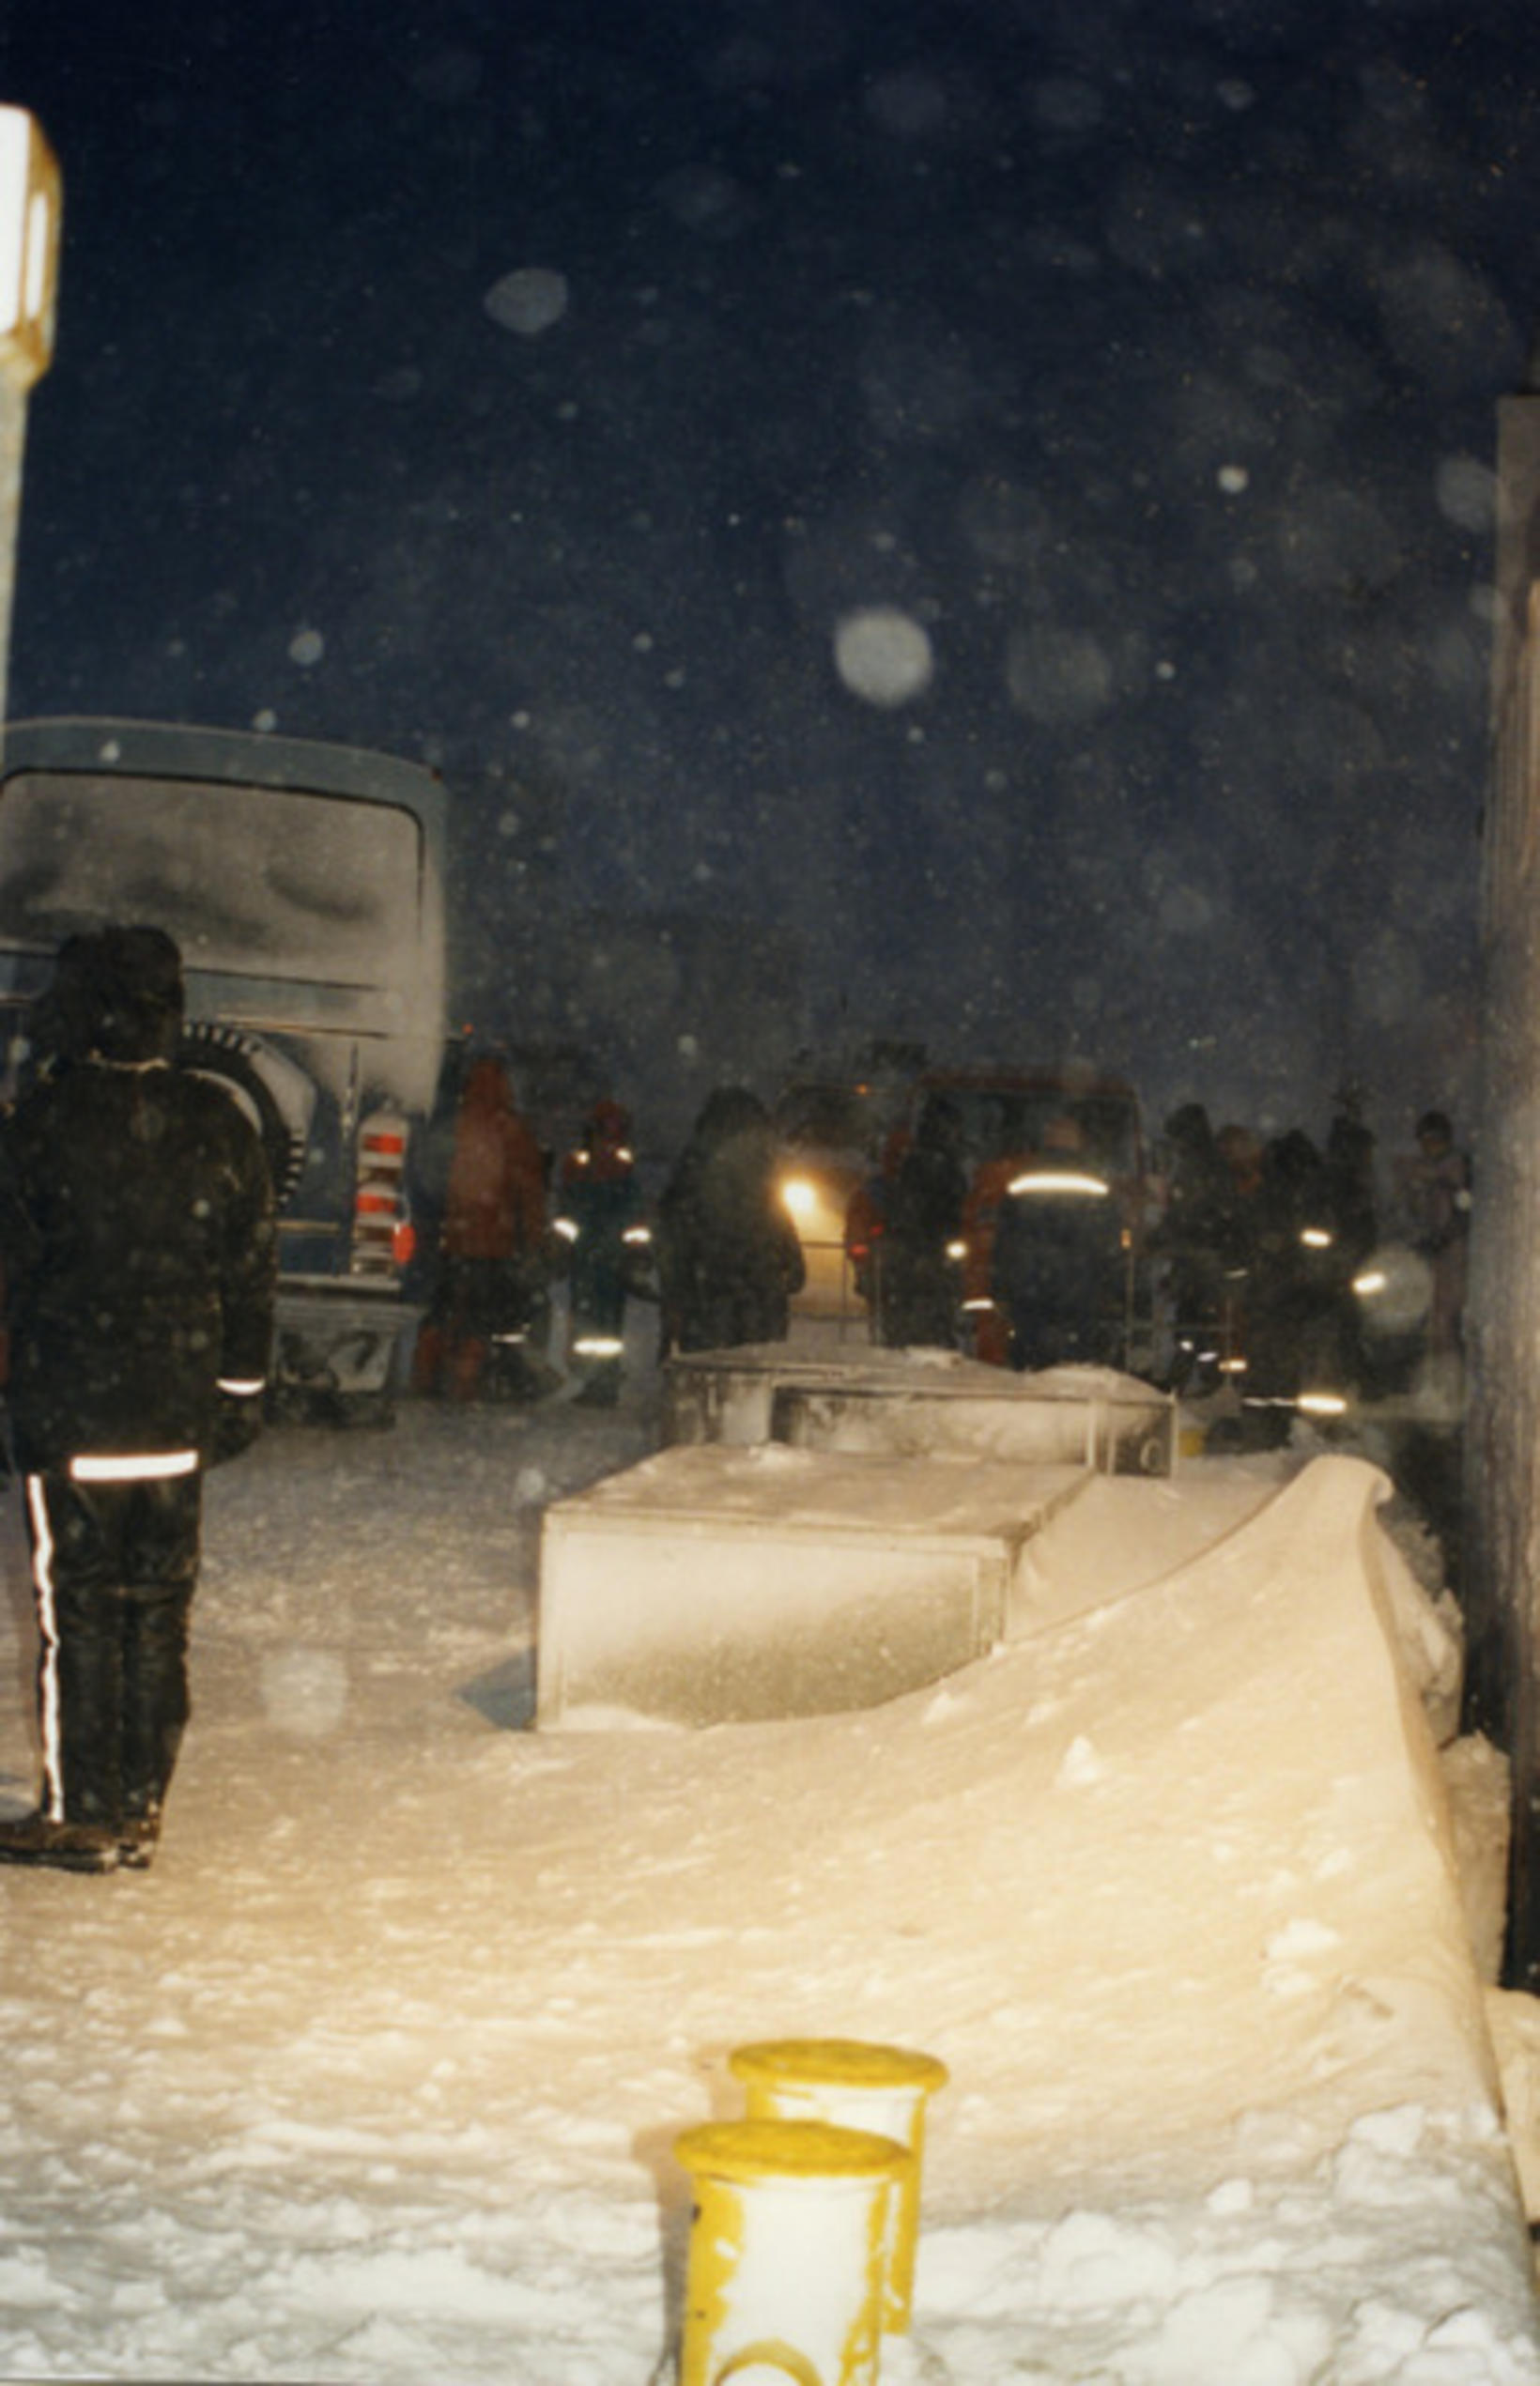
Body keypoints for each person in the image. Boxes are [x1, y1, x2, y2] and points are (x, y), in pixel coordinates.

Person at [0, 927, 276, 1873]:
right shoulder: (220, 1119)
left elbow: (10, 1270)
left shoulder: (38, 1122)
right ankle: (141, 1807)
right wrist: (238, 1391)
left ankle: (82, 1814)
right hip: (174, 1413)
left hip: (72, 1412)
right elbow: (249, 1273)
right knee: (157, 1610)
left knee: (75, 1608)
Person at [412, 1054, 547, 1401]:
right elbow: (529, 1192)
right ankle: (464, 1384)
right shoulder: (511, 1130)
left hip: (449, 1243)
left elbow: (428, 1183)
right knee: (478, 1319)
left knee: (440, 1315)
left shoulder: (450, 1125)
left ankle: (425, 1379)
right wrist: (534, 1241)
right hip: (494, 1247)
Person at [655, 1086, 805, 1354]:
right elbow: (777, 1217)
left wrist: (675, 1290)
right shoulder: (758, 1168)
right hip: (755, 1280)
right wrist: (791, 1259)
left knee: (713, 1359)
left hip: (711, 1282)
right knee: (756, 1356)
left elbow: (673, 1232)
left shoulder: (695, 1166)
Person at [991, 1112, 1125, 1373]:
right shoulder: (1096, 1181)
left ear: (1047, 1140)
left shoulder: (1023, 1179)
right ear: (1078, 1141)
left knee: (1030, 1356)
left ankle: (1031, 1398)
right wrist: (1111, 1286)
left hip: (1030, 1284)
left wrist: (1001, 1286)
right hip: (1080, 1284)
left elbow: (1005, 1236)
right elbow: (1109, 1238)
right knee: (1076, 1361)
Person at [552, 1098, 650, 1407]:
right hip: (596, 1259)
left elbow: (632, 1217)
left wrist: (634, 1249)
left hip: (601, 1260)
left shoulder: (603, 1170)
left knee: (599, 1324)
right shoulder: (601, 1170)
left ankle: (600, 1381)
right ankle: (596, 1380)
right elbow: (570, 1214)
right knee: (594, 1323)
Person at [875, 1091, 965, 1349]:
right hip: (932, 1252)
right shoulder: (946, 1167)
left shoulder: (913, 1163)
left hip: (912, 1253)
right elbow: (951, 1209)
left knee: (912, 1316)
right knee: (935, 1314)